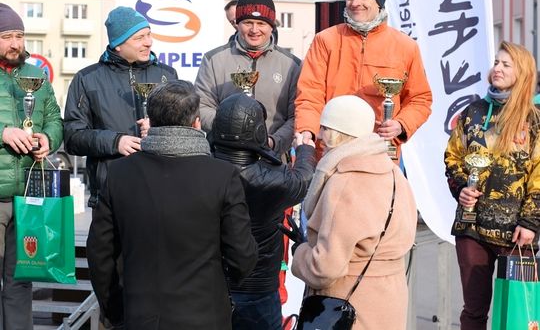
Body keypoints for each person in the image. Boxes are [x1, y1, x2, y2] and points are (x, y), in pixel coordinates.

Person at [87, 80, 258, 330]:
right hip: (205, 316)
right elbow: (242, 256)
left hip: (140, 315)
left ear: (151, 121)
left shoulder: (119, 174)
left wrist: (116, 310)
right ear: (196, 123)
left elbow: (100, 254)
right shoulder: (222, 176)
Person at [289, 95, 417, 330]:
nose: (319, 136)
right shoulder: (393, 172)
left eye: (325, 128)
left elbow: (325, 267)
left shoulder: (345, 181)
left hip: (347, 308)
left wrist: (301, 252)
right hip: (388, 302)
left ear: (340, 132)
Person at [445, 41, 540, 330]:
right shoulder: (473, 112)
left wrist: (530, 221)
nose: (497, 68)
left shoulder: (534, 120)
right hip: (472, 228)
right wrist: (461, 186)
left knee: (517, 310)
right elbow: (453, 157)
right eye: (496, 62)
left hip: (517, 232)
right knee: (474, 310)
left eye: (505, 64)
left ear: (521, 73)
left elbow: (539, 173)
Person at [295, 0, 432, 160]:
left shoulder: (406, 46)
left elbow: (420, 99)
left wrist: (401, 124)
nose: (355, 2)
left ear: (378, 1)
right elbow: (310, 93)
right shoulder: (325, 40)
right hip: (330, 150)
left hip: (380, 152)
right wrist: (307, 130)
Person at [211, 93, 316, 330]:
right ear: (258, 131)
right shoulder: (272, 180)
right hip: (259, 290)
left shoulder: (201, 169)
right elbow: (303, 179)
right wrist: (305, 151)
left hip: (211, 287)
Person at [64, 6, 177, 208]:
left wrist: (160, 130)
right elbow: (73, 137)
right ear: (117, 44)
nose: (148, 42)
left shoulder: (167, 75)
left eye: (149, 34)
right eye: (139, 37)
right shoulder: (86, 79)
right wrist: (115, 142)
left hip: (161, 193)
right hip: (109, 196)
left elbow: (186, 130)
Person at [0, 3, 63, 329]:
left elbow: (55, 119)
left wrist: (48, 138)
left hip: (29, 194)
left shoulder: (36, 76)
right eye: (7, 36)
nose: (16, 43)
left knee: (21, 279)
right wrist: (3, 133)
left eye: (20, 35)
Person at [196, 0, 299, 155]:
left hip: (273, 159)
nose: (254, 30)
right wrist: (233, 127)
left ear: (271, 26)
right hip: (224, 158)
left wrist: (273, 142)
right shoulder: (213, 60)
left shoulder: (292, 65)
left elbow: (295, 116)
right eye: (248, 22)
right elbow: (201, 106)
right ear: (237, 24)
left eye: (261, 23)